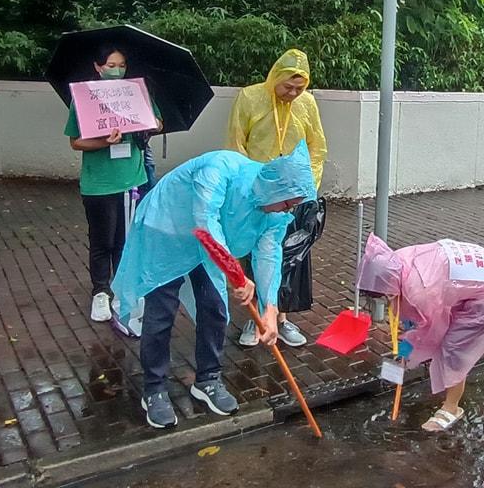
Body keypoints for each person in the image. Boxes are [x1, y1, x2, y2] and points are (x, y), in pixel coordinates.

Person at [110, 143, 316, 429]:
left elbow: (269, 253)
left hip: (210, 246)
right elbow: (206, 222)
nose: (287, 210)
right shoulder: (219, 169)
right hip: (168, 228)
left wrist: (269, 308)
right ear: (274, 187)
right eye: (287, 203)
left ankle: (208, 379)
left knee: (215, 306)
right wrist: (236, 275)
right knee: (161, 312)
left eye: (293, 205)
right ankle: (154, 388)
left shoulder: (275, 213)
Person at [357, 234, 484, 433]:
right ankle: (445, 384)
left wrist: (406, 354)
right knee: (445, 342)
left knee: (454, 347)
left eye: (384, 296)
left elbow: (430, 332)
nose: (385, 300)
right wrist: (404, 352)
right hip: (475, 279)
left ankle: (452, 407)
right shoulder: (397, 261)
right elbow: (414, 322)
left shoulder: (420, 291)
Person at [227, 49, 327, 348]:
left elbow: (317, 146)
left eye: (299, 88)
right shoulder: (250, 98)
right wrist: (248, 191)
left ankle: (281, 318)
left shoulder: (307, 104)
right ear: (275, 78)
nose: (293, 93)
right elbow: (236, 144)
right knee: (253, 255)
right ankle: (254, 317)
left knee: (289, 257)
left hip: (293, 197)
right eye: (288, 87)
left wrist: (306, 189)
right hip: (259, 196)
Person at [65, 46, 161, 323]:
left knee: (126, 239)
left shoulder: (136, 93)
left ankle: (122, 288)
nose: (117, 70)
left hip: (133, 179)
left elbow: (157, 121)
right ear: (98, 67)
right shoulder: (83, 99)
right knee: (102, 240)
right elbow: (75, 142)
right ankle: (100, 291)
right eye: (110, 65)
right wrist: (103, 142)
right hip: (100, 184)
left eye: (121, 65)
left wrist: (150, 123)